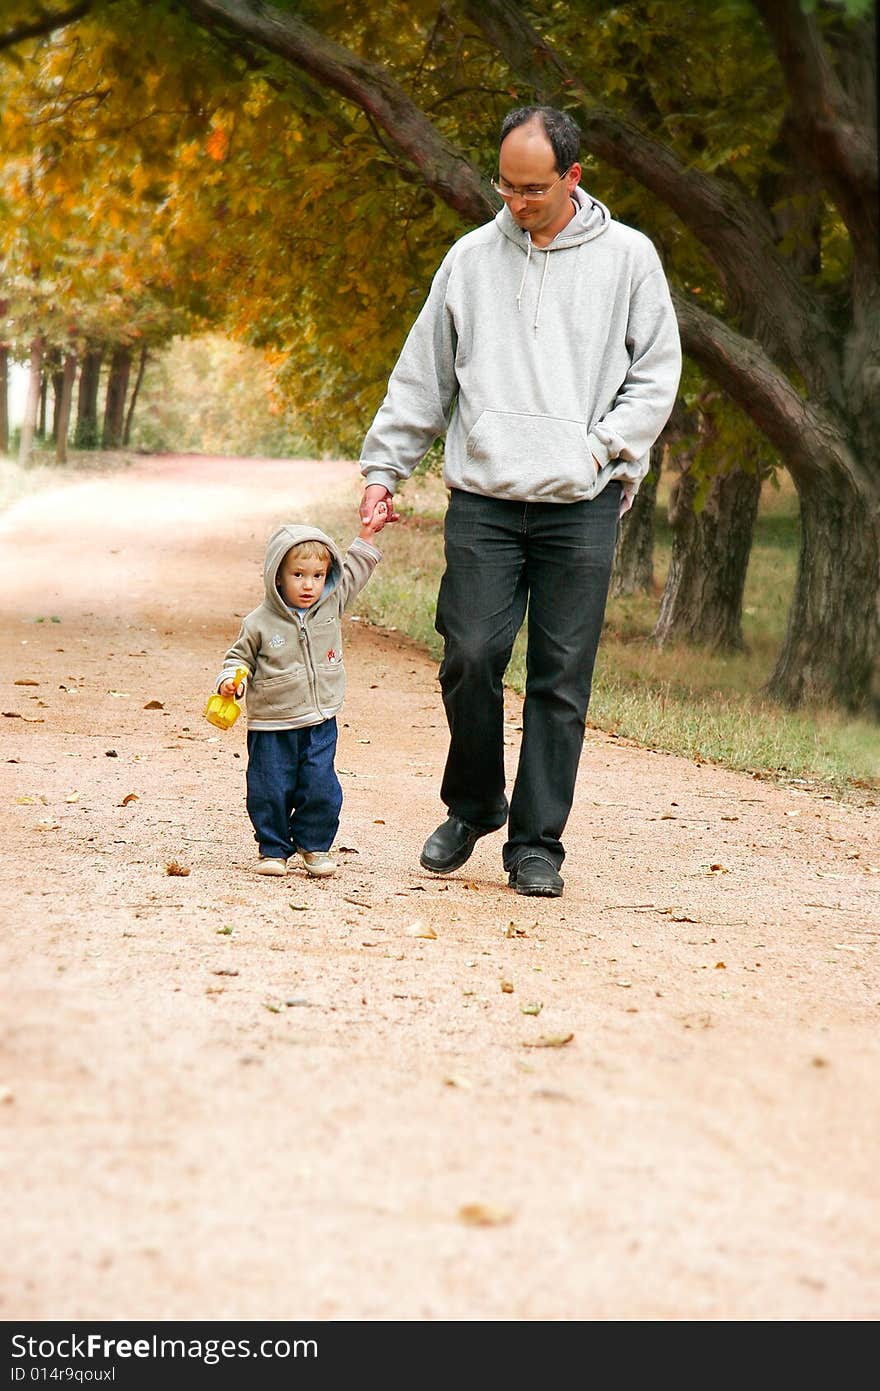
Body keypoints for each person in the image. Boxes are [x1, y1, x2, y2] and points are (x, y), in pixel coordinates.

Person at [359, 105, 681, 898]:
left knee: (561, 676)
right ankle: (472, 806)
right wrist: (383, 470)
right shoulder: (470, 259)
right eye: (505, 184)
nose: (516, 201)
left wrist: (601, 449)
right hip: (485, 499)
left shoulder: (630, 259)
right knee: (469, 654)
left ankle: (537, 844)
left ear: (573, 177)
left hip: (581, 501)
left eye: (533, 187)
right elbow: (424, 376)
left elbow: (657, 374)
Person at [215, 509, 387, 877]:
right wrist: (233, 681)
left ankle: (314, 846)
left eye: (317, 576)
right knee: (269, 787)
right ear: (277, 576)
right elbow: (237, 658)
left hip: (320, 717)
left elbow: (355, 571)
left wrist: (367, 534)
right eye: (298, 575)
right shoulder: (259, 621)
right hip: (272, 723)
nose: (309, 585)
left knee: (321, 786)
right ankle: (274, 850)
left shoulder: (330, 606)